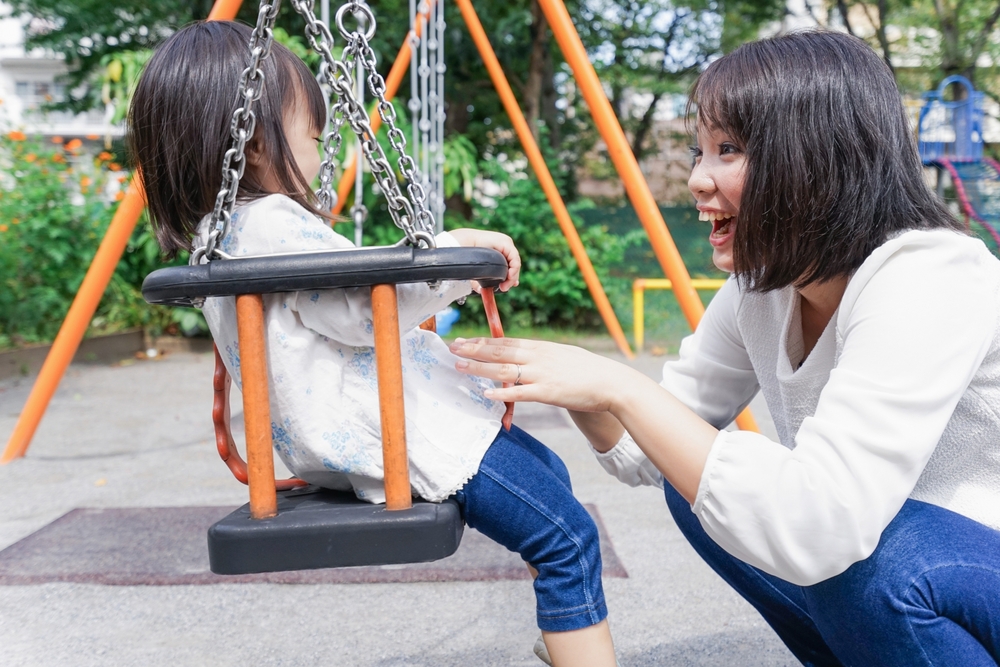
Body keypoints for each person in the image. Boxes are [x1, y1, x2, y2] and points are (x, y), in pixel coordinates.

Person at [451, 29, 1000, 666]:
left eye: (728, 150)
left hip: (967, 555)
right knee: (700, 489)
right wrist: (572, 383)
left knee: (867, 562)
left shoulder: (928, 276)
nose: (696, 180)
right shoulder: (764, 289)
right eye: (699, 152)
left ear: (818, 157)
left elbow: (822, 523)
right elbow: (645, 449)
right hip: (893, 555)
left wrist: (620, 385)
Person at [128, 21, 617, 667]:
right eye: (311, 133)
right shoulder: (270, 221)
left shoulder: (224, 231)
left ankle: (564, 632)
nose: (320, 144)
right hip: (405, 434)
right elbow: (362, 308)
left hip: (365, 436)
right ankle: (580, 650)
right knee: (569, 537)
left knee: (549, 479)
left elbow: (342, 295)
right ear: (252, 140)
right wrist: (455, 256)